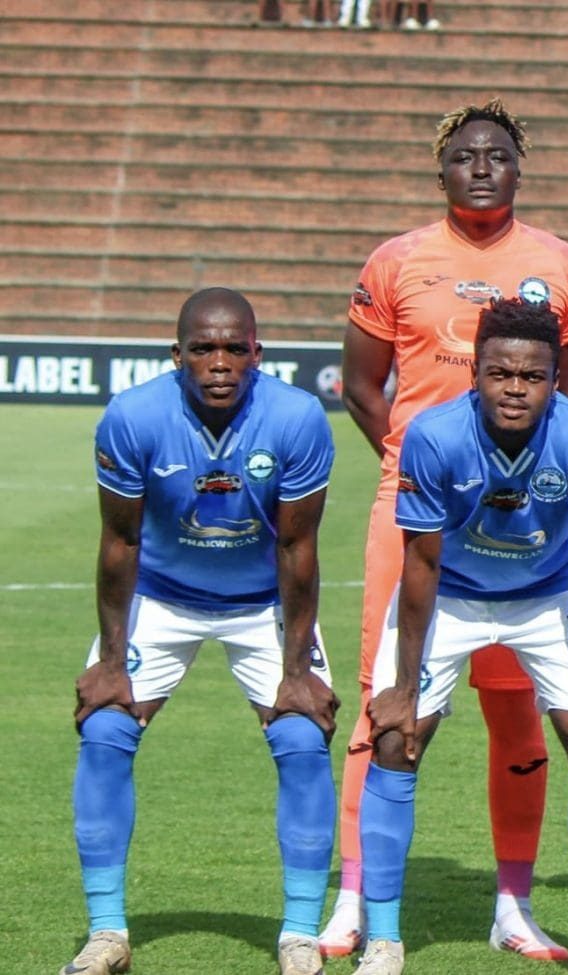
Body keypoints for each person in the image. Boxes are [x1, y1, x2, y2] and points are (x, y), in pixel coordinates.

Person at [329, 97, 568, 962]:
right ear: (440, 168)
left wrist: (505, 480)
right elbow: (362, 386)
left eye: (498, 156)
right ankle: (354, 896)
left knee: (521, 717)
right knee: (386, 707)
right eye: (464, 157)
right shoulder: (396, 260)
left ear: (520, 167)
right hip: (412, 516)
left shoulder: (564, 267)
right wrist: (424, 473)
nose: (481, 168)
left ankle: (514, 902)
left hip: (529, 528)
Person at [66, 288, 338, 975]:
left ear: (257, 352)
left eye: (234, 348)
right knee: (104, 727)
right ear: (176, 352)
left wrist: (297, 666)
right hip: (161, 595)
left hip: (260, 600)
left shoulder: (298, 417)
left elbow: (298, 550)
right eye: (203, 348)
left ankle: (300, 936)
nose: (219, 363)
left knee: (303, 737)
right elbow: (120, 542)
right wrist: (109, 659)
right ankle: (106, 934)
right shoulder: (133, 415)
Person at [351, 298, 568, 975]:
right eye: (499, 373)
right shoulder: (433, 434)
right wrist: (405, 687)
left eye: (531, 377)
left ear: (555, 378)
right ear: (474, 372)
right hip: (452, 595)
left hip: (546, 594)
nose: (514, 388)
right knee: (393, 737)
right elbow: (420, 564)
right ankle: (384, 939)